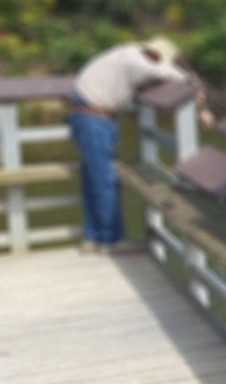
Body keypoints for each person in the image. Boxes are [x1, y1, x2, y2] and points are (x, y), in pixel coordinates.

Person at [69, 37, 213, 253]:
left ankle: (93, 237)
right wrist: (192, 81)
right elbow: (163, 73)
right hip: (94, 120)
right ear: (155, 57)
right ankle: (110, 241)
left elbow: (152, 75)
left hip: (91, 117)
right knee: (104, 180)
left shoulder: (127, 54)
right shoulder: (135, 61)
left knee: (95, 178)